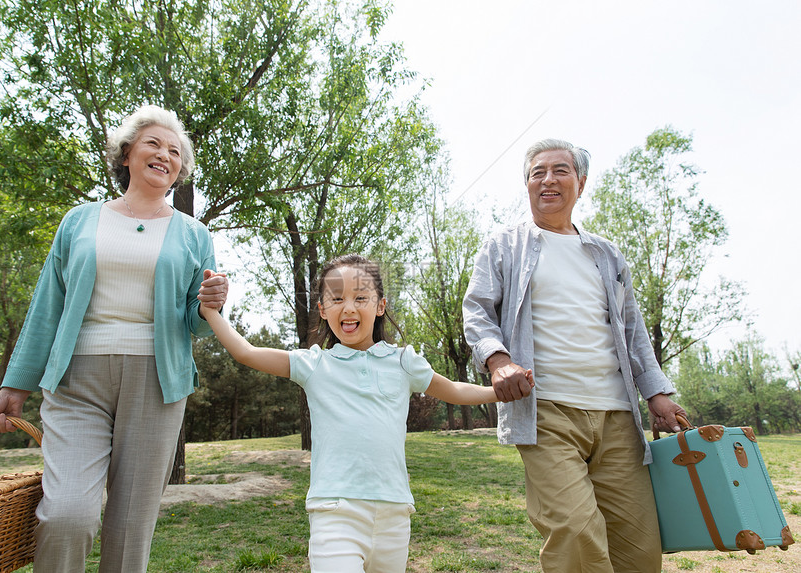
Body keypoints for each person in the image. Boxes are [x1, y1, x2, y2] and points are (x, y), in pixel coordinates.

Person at [0, 104, 228, 573]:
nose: (164, 155)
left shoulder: (194, 234)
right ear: (126, 152)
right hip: (77, 380)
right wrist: (16, 385)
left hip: (158, 382)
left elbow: (194, 321)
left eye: (175, 152)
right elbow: (48, 305)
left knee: (130, 528)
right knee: (68, 514)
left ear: (179, 171)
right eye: (153, 143)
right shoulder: (79, 221)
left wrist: (210, 302)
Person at [198, 253, 506, 573]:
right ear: (322, 309)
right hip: (335, 514)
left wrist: (500, 391)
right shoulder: (314, 364)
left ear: (380, 305)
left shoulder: (404, 362)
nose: (348, 307)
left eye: (361, 297)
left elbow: (455, 390)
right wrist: (211, 312)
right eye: (337, 299)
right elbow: (246, 352)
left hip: (394, 515)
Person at [462, 139, 687, 572]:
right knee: (576, 531)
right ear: (526, 185)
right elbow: (476, 311)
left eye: (560, 170)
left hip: (618, 415)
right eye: (537, 172)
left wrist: (656, 393)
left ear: (580, 184)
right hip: (546, 411)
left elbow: (632, 330)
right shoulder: (504, 246)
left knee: (638, 549)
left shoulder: (607, 254)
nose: (548, 180)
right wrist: (498, 360)